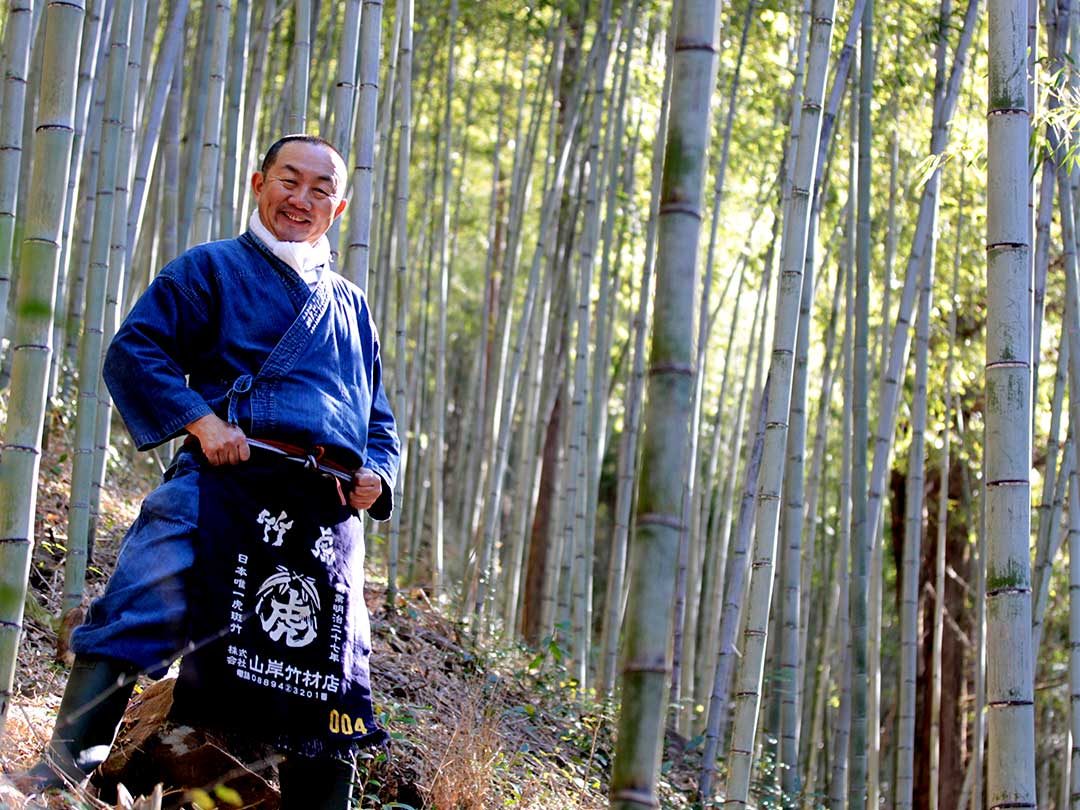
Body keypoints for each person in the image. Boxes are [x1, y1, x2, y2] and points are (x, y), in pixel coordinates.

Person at [18, 134, 399, 809]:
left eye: (319, 189)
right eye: (289, 180)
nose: (301, 199)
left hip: (322, 509)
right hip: (228, 478)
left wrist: (378, 473)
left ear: (337, 209)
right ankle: (61, 774)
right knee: (143, 598)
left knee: (335, 669)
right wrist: (202, 421)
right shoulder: (210, 269)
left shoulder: (352, 307)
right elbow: (137, 350)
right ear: (259, 184)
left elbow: (379, 420)